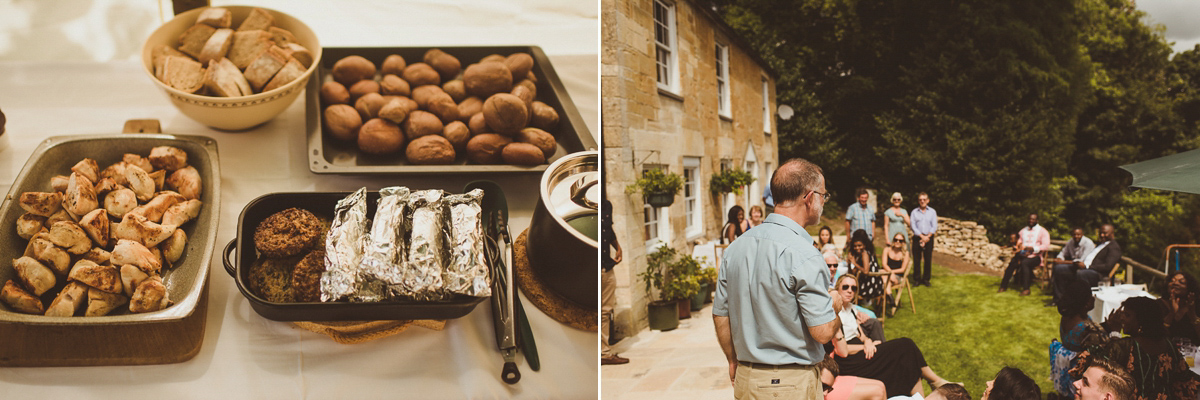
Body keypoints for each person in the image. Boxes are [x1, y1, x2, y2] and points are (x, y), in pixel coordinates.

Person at [713, 158, 843, 399]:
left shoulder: (735, 248)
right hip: (790, 384)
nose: (823, 202)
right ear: (809, 197)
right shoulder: (805, 254)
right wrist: (835, 303)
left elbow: (721, 314)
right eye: (824, 196)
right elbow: (823, 332)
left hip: (747, 380)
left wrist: (732, 359)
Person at [827, 275, 951, 397]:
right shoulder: (835, 314)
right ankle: (934, 381)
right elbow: (841, 351)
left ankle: (925, 392)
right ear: (837, 289)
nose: (850, 290)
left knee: (907, 357)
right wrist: (864, 347)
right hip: (849, 361)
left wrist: (868, 341)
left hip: (864, 350)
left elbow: (861, 335)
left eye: (853, 288)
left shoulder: (851, 309)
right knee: (905, 345)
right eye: (846, 287)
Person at [1073, 296, 1200, 399]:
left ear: (1141, 321)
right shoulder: (1169, 345)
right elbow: (1185, 379)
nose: (1122, 317)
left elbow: (1089, 369)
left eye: (1127, 315)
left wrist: (1114, 332)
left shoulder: (1124, 346)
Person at [1049, 280, 1109, 397]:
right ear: (1086, 304)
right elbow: (1100, 348)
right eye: (1091, 296)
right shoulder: (1086, 327)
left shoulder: (1066, 317)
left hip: (1065, 367)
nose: (1094, 298)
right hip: (1078, 372)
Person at [1052, 224, 1122, 302]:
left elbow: (1107, 266)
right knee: (1059, 268)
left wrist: (1088, 266)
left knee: (1081, 273)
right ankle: (1059, 300)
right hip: (1085, 267)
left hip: (1098, 273)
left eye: (1105, 233)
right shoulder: (1100, 244)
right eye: (1100, 233)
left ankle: (1079, 302)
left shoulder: (1114, 247)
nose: (1102, 235)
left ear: (1112, 233)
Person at [601, 198, 628, 365]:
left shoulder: (606, 204)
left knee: (605, 311)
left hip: (606, 267)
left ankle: (604, 353)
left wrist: (617, 247)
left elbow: (607, 229)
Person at [1000, 213, 1050, 296]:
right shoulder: (1023, 231)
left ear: (1037, 220)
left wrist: (1032, 248)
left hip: (1035, 256)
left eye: (1033, 219)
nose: (1031, 221)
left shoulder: (1043, 231)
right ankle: (1003, 286)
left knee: (1025, 263)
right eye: (1030, 219)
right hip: (1022, 254)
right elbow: (1017, 242)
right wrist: (1016, 247)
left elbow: (1045, 246)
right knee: (1012, 263)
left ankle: (1026, 289)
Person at [818, 355, 887, 400]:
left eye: (829, 389)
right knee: (878, 392)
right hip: (826, 366)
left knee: (881, 385)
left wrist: (866, 340)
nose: (825, 393)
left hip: (829, 367)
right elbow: (843, 352)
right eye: (823, 386)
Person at [1161, 270, 1200, 344]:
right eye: (1172, 281)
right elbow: (1155, 335)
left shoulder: (1197, 306)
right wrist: (1171, 314)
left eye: (1181, 282)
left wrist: (1193, 315)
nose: (1175, 283)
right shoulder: (1157, 305)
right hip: (1165, 352)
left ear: (1190, 288)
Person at [847, 230, 885, 303]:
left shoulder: (865, 253)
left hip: (872, 286)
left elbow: (866, 271)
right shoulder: (860, 254)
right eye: (855, 246)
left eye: (859, 245)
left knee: (848, 289)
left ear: (864, 245)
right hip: (866, 282)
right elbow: (852, 272)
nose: (857, 248)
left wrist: (854, 263)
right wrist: (849, 263)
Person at [909, 192, 937, 287]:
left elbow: (934, 226)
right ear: (918, 201)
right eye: (920, 199)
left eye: (924, 199)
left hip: (929, 238)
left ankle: (926, 279)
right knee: (917, 259)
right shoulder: (914, 212)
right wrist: (922, 237)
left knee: (928, 259)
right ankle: (917, 279)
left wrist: (927, 237)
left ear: (928, 200)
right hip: (917, 238)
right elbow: (913, 226)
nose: (922, 201)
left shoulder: (932, 212)